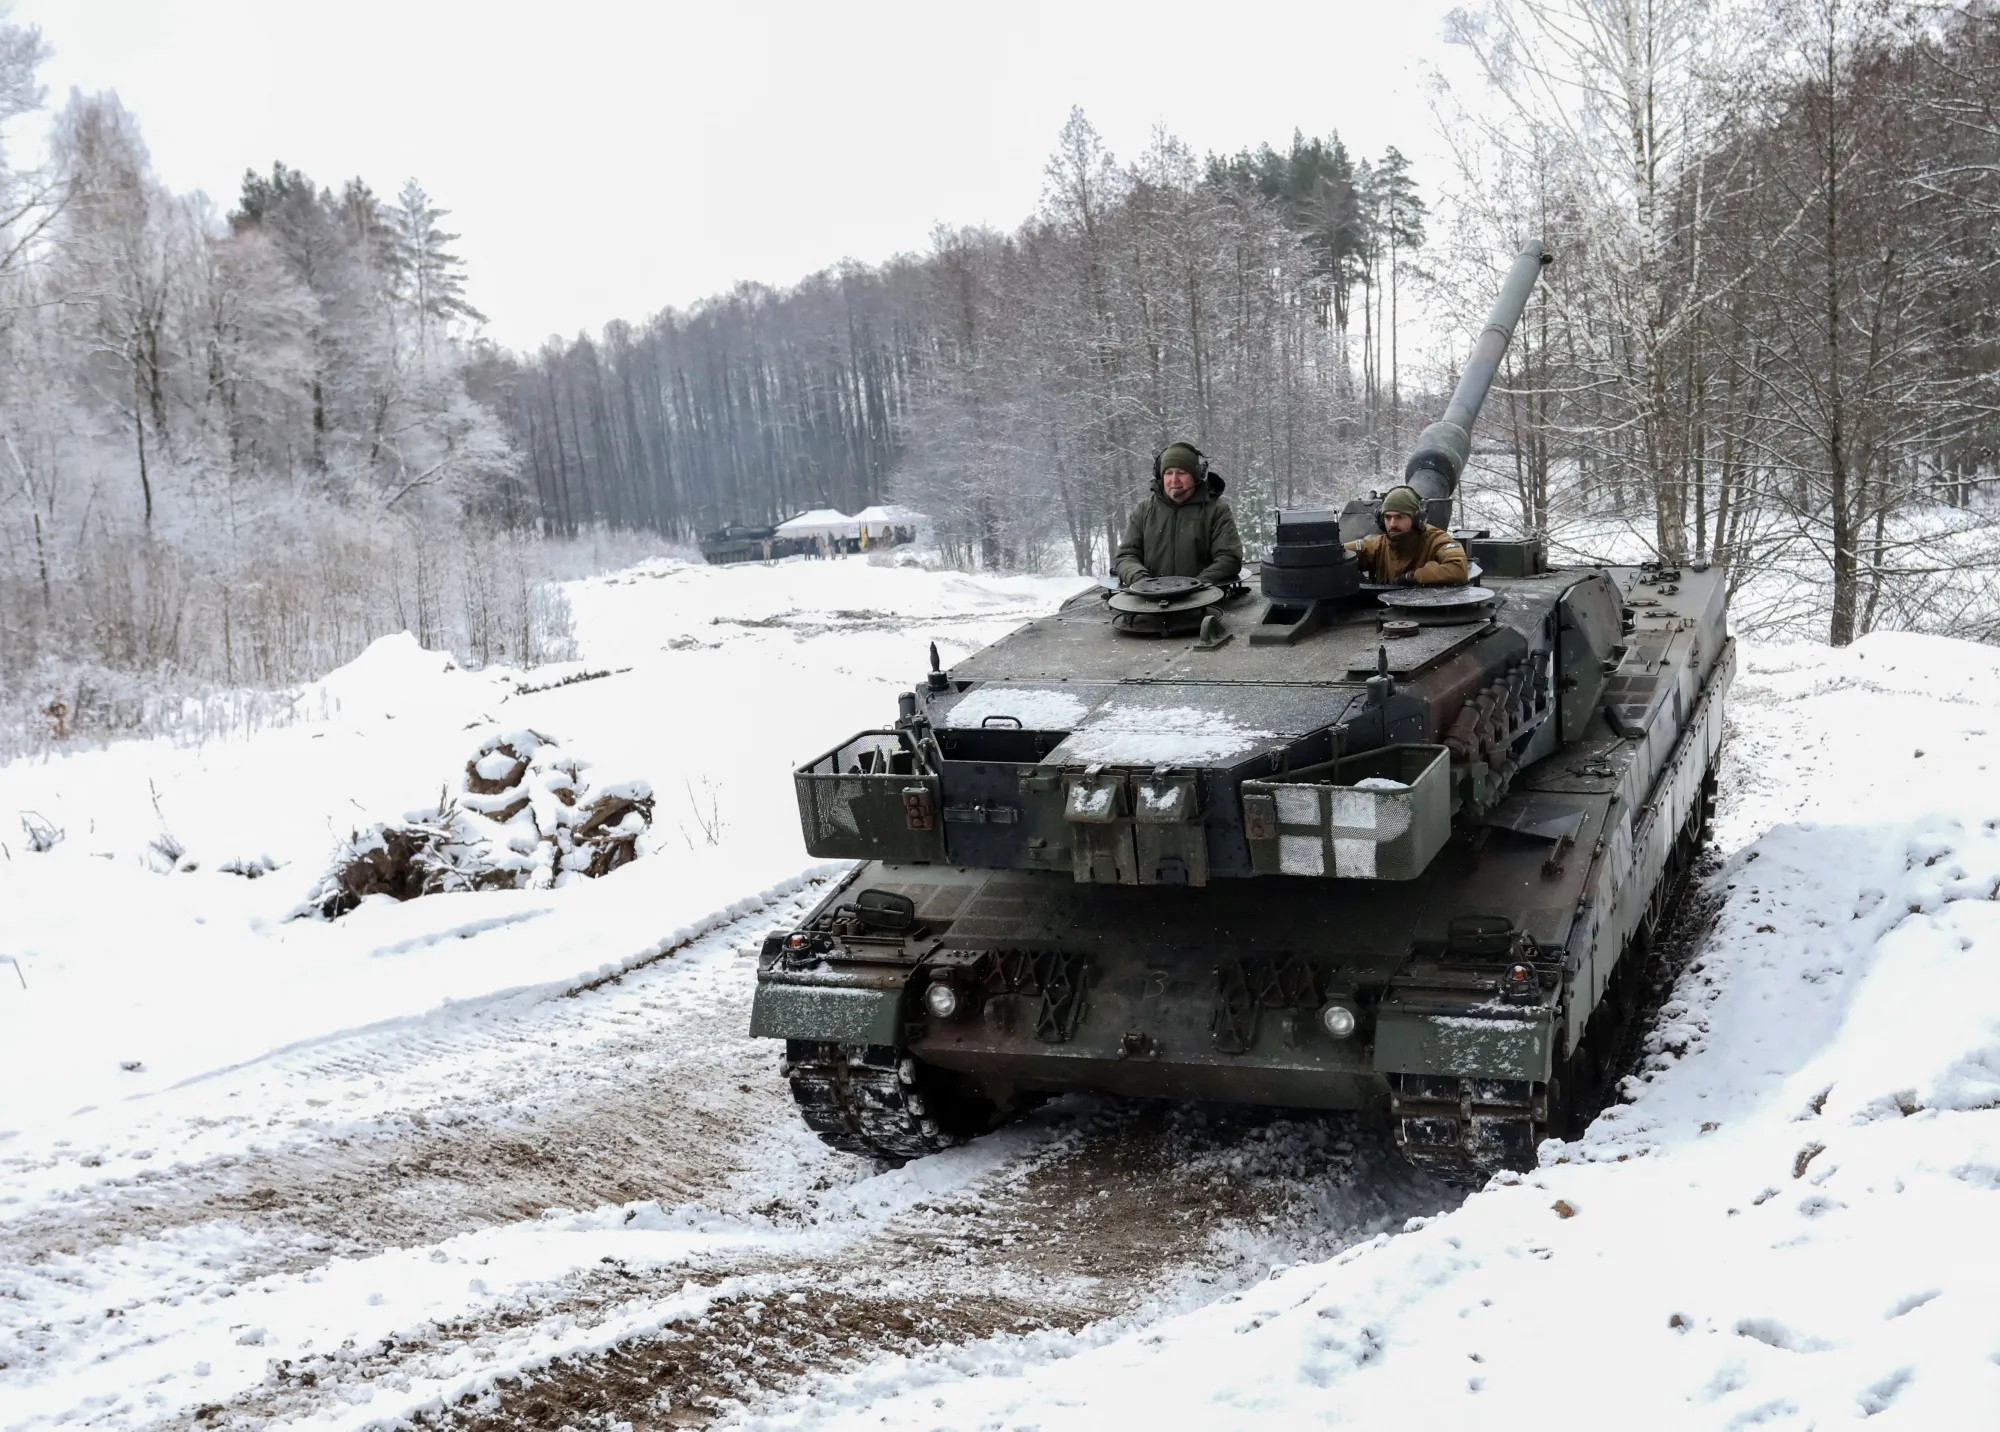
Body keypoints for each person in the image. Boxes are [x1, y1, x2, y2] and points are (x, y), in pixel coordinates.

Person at [1114, 442, 1244, 587]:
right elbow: (1126, 556)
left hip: (1204, 596)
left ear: (1197, 476)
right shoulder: (1143, 511)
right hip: (1150, 598)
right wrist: (1143, 582)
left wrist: (1196, 585)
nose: (1174, 480)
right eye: (1168, 473)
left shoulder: (1217, 511)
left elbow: (1229, 558)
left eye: (1181, 473)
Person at [1345, 485, 1469, 586]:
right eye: (1387, 517)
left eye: (1400, 517)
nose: (1392, 524)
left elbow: (1458, 569)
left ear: (1416, 519)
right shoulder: (1379, 544)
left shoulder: (1436, 540)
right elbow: (1343, 551)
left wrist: (1412, 577)